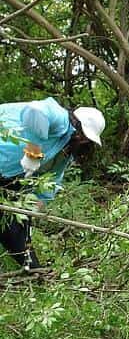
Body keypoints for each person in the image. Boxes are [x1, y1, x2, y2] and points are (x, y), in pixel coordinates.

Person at [0, 98, 105, 269]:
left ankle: (33, 271)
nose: (85, 144)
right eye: (85, 138)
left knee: (16, 225)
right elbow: (34, 111)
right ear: (77, 126)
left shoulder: (65, 150)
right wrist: (34, 152)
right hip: (3, 158)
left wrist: (36, 204)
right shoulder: (59, 117)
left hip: (9, 177)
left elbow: (53, 179)